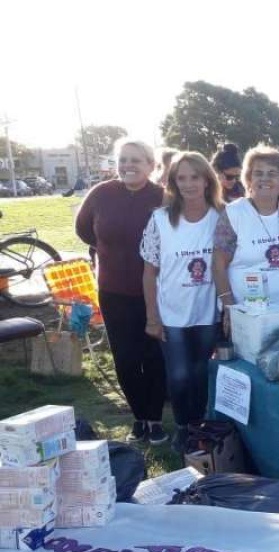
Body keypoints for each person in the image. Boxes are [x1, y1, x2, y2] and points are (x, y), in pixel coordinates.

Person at [75, 138, 168, 445]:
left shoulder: (162, 198)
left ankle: (155, 419)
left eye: (136, 160)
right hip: (112, 290)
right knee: (125, 358)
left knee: (153, 355)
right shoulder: (101, 193)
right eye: (123, 160)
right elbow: (83, 229)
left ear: (151, 166)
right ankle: (139, 417)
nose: (128, 165)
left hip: (154, 291)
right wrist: (107, 249)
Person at [140, 152, 223, 453]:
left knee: (200, 372)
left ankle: (198, 427)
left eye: (195, 177)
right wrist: (152, 317)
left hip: (207, 313)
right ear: (173, 183)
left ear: (207, 180)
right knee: (179, 374)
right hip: (172, 314)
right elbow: (149, 273)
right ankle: (182, 426)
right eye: (181, 178)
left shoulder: (221, 217)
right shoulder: (160, 219)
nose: (188, 184)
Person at [213, 146, 279, 332]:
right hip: (245, 317)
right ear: (248, 180)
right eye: (258, 173)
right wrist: (229, 307)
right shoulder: (234, 213)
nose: (265, 178)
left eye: (272, 173)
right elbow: (218, 264)